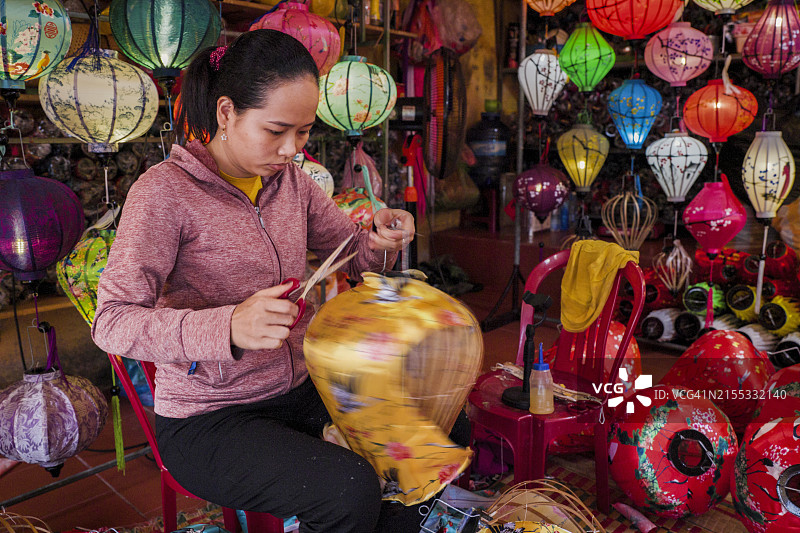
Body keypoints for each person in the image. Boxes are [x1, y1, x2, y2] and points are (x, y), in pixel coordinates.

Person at [91, 29, 429, 533]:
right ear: (226, 113)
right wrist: (227, 326)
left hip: (299, 386)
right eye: (276, 130)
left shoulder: (290, 183)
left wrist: (379, 243)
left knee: (424, 440)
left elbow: (354, 258)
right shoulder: (164, 194)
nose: (292, 149)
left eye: (305, 131)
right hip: (209, 418)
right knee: (349, 487)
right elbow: (111, 323)